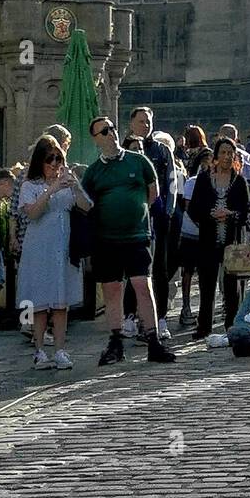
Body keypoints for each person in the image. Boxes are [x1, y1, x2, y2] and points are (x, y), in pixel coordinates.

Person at [81, 116, 175, 365]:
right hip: (107, 240)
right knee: (112, 290)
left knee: (143, 285)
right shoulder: (93, 172)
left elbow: (153, 194)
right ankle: (116, 341)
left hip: (137, 236)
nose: (110, 133)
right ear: (96, 139)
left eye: (112, 128)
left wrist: (133, 211)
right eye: (104, 131)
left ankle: (153, 340)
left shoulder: (139, 161)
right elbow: (86, 205)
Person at [17, 136, 93, 370]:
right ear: (40, 161)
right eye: (49, 159)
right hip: (39, 249)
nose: (54, 163)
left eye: (58, 158)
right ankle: (39, 350)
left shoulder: (66, 183)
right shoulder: (31, 186)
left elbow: (86, 206)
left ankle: (60, 349)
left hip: (62, 247)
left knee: (61, 303)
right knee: (38, 303)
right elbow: (32, 213)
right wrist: (51, 189)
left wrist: (75, 184)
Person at [188, 136, 250, 339]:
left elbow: (248, 211)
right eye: (223, 152)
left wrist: (232, 215)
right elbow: (193, 208)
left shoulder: (239, 181)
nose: (226, 156)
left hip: (231, 242)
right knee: (207, 284)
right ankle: (204, 325)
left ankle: (232, 323)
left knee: (232, 286)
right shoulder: (205, 179)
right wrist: (210, 214)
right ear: (216, 156)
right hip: (208, 239)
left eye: (229, 153)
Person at [127, 107, 178, 341]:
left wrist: (167, 212)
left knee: (159, 269)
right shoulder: (125, 150)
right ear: (131, 124)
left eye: (148, 122)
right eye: (141, 122)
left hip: (157, 218)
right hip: (132, 220)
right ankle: (130, 316)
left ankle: (160, 318)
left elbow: (171, 183)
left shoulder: (161, 150)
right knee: (133, 268)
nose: (145, 126)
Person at [176, 146, 212, 327]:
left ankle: (205, 309)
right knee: (188, 272)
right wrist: (203, 224)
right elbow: (189, 208)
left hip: (207, 235)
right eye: (203, 164)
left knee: (207, 273)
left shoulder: (216, 181)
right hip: (191, 233)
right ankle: (186, 307)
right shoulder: (191, 182)